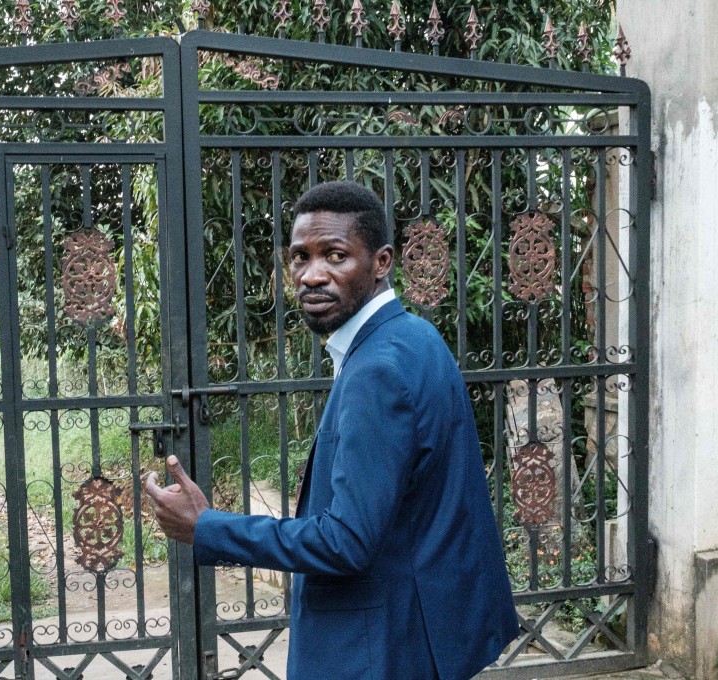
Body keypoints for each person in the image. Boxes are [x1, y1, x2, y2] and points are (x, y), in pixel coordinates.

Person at [144, 181, 519, 680]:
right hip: (426, 630)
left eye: (336, 256)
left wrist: (208, 526)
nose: (312, 275)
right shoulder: (414, 335)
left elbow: (346, 542)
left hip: (380, 648)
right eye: (300, 257)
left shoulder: (378, 370)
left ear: (381, 262)